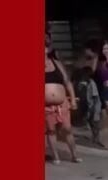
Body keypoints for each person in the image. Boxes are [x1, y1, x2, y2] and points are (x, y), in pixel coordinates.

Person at [44, 35, 81, 164]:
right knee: (51, 130)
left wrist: (73, 100)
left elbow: (67, 82)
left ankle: (74, 155)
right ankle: (56, 156)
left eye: (45, 46)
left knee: (67, 129)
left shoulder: (57, 63)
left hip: (62, 103)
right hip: (46, 106)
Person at [74, 43, 103, 146]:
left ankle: (96, 137)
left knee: (95, 116)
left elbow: (93, 71)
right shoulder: (83, 61)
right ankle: (94, 135)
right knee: (89, 115)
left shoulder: (95, 60)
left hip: (93, 89)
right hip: (85, 89)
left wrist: (94, 58)